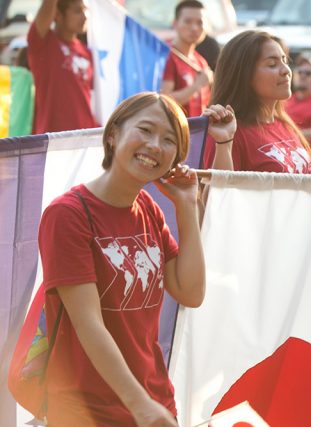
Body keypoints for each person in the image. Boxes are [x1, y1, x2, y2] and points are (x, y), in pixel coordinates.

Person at [38, 92, 206, 426]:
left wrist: (187, 204)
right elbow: (89, 323)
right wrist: (139, 404)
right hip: (89, 411)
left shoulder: (148, 208)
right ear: (113, 134)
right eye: (145, 130)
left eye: (169, 140)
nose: (155, 145)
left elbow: (191, 292)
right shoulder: (68, 214)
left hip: (154, 399)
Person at [203, 30, 311, 175]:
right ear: (244, 74)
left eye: (284, 61)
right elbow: (218, 195)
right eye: (272, 64)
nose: (286, 70)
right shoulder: (226, 133)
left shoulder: (285, 123)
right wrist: (224, 142)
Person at [28, 0, 98, 134]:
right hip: (53, 140)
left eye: (86, 10)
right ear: (58, 15)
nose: (85, 16)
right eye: (78, 11)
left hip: (86, 138)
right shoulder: (42, 44)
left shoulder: (87, 52)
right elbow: (48, 5)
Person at [161, 0, 213, 118]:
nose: (194, 28)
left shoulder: (201, 61)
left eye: (200, 22)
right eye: (188, 21)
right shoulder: (168, 56)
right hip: (176, 132)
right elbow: (163, 100)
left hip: (198, 133)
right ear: (175, 23)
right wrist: (197, 85)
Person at [285, 56, 311, 166]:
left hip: (310, 160)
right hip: (286, 155)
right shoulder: (286, 99)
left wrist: (289, 134)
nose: (302, 76)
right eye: (299, 72)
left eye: (308, 73)